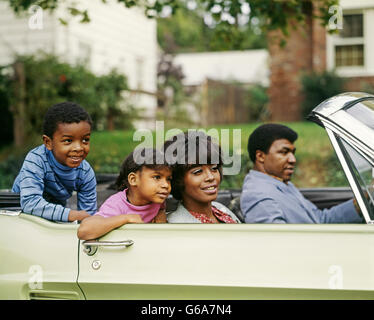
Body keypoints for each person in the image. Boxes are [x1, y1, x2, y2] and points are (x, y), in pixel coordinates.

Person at [240, 123, 363, 224]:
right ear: (260, 156)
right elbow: (278, 244)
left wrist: (363, 201)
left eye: (292, 153)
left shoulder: (280, 183)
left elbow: (319, 220)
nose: (292, 159)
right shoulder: (258, 195)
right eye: (284, 152)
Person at [12, 102, 96, 222]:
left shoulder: (85, 173)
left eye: (85, 140)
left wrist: (86, 221)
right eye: (68, 140)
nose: (79, 148)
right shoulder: (36, 160)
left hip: (54, 216)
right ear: (48, 142)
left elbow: (88, 216)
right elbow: (29, 203)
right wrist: (71, 215)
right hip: (19, 214)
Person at [77, 148, 172, 240]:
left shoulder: (157, 199)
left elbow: (161, 207)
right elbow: (84, 231)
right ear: (133, 179)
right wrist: (126, 218)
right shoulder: (116, 204)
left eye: (168, 179)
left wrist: (161, 214)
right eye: (157, 177)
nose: (166, 185)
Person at [165, 131, 240, 223]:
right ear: (177, 179)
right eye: (198, 172)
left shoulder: (220, 209)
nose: (210, 177)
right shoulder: (177, 225)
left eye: (214, 168)